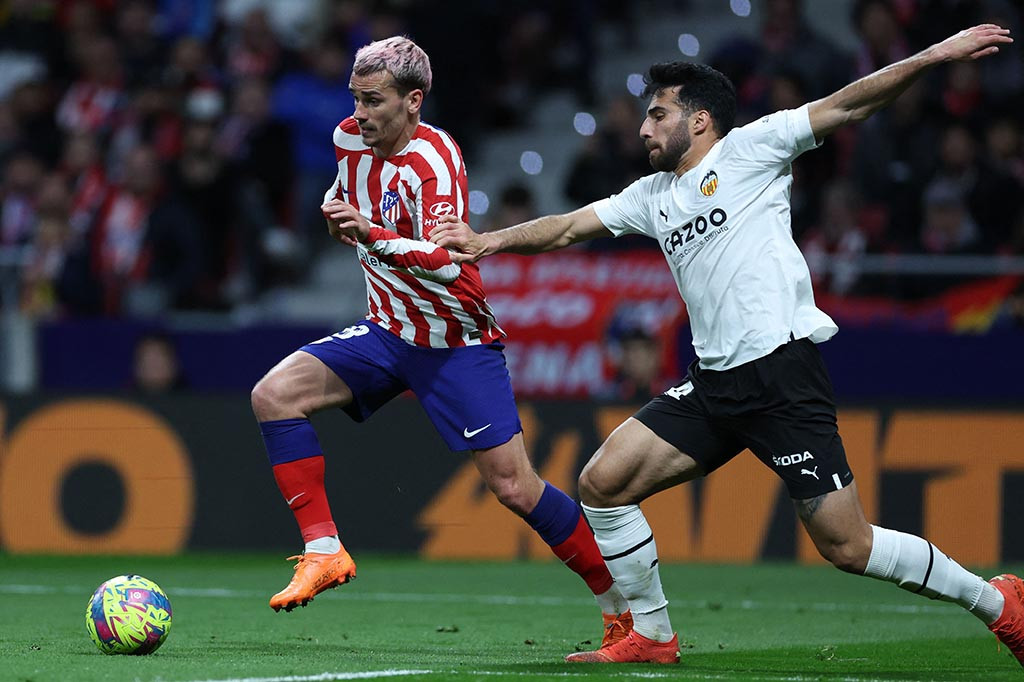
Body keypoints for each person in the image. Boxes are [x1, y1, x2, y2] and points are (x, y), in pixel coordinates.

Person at [429, 25, 1024, 666]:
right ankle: (653, 636)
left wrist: (934, 55)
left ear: (702, 120)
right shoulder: (654, 197)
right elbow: (569, 226)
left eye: (658, 114)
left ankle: (997, 602)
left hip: (780, 373)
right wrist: (492, 240)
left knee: (846, 547)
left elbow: (850, 104)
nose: (643, 129)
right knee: (602, 483)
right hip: (715, 383)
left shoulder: (751, 150)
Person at [249, 36, 630, 646]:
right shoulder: (349, 138)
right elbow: (345, 199)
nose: (359, 113)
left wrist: (369, 231)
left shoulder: (435, 158)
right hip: (387, 331)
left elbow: (449, 262)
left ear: (413, 101)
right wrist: (334, 210)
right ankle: (324, 550)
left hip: (456, 341)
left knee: (513, 487)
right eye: (356, 98)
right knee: (273, 396)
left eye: (373, 101)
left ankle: (622, 608)